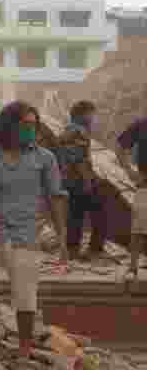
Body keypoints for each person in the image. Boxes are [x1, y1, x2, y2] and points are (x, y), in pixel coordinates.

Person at [0, 101, 68, 355]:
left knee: (25, 294)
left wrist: (62, 236)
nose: (31, 129)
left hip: (27, 235)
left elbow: (55, 197)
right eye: (25, 124)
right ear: (9, 125)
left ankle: (24, 346)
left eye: (34, 124)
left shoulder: (45, 159)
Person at [57, 100, 106, 261]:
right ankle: (95, 250)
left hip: (69, 181)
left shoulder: (67, 130)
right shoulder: (79, 132)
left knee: (75, 215)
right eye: (92, 113)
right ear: (83, 114)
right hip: (81, 180)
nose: (93, 117)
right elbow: (79, 160)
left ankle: (72, 250)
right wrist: (88, 182)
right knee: (99, 214)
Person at [117, 116, 147, 282]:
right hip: (145, 183)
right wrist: (129, 171)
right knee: (139, 227)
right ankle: (133, 267)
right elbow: (120, 146)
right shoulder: (142, 124)